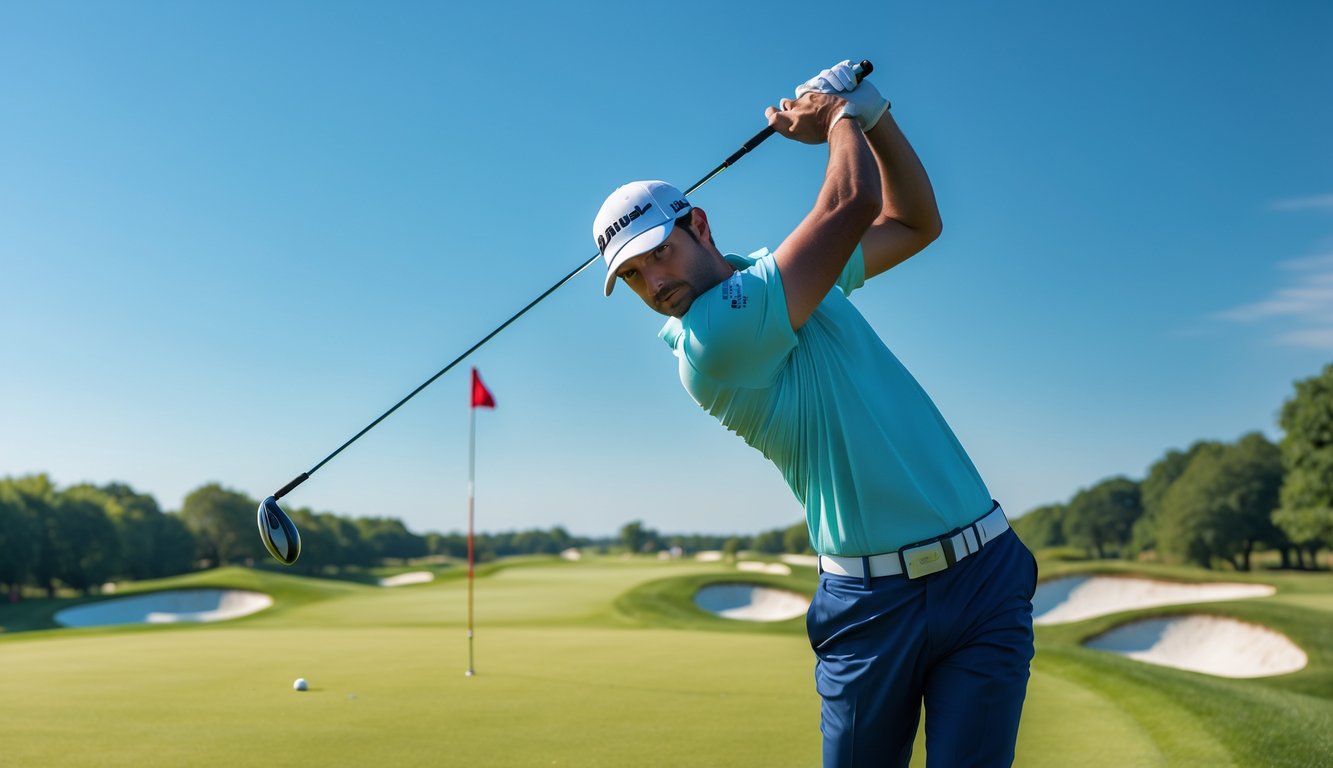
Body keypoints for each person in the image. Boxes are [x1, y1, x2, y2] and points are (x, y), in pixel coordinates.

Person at [592, 60, 1037, 767]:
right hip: (870, 606)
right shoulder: (709, 344)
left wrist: (873, 112)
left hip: (983, 574)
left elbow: (914, 222)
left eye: (657, 256)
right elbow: (850, 203)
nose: (655, 284)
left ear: (697, 223)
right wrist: (837, 118)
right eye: (634, 277)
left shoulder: (788, 279)